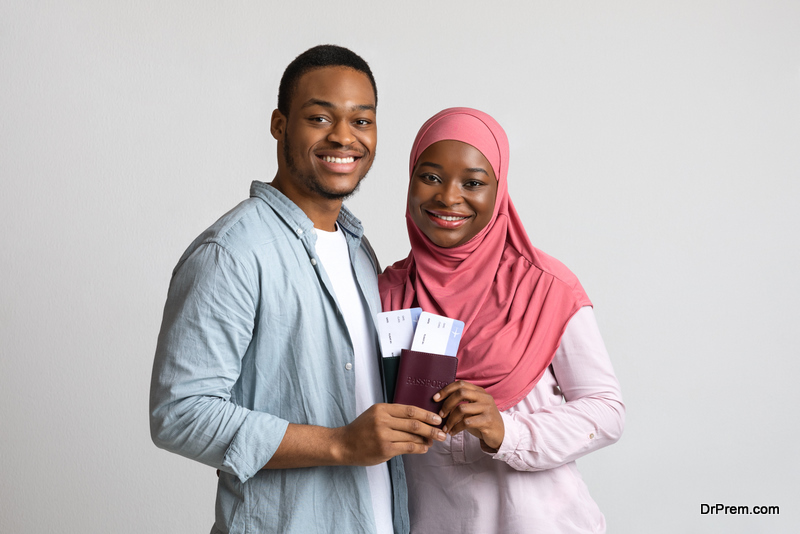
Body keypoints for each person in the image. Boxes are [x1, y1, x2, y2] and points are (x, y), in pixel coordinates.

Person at [149, 45, 445, 534]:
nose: (344, 137)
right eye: (319, 117)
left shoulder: (359, 250)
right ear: (280, 124)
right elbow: (178, 414)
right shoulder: (232, 252)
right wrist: (340, 444)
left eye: (362, 121)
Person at [379, 108, 625, 533]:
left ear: (499, 190)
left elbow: (607, 412)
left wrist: (506, 431)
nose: (448, 197)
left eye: (473, 182)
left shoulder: (545, 288)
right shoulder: (388, 293)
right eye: (431, 177)